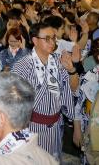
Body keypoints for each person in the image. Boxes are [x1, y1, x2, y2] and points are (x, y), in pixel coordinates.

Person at [12, 22, 77, 161]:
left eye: (53, 38)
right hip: (32, 127)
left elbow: (73, 89)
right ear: (35, 40)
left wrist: (71, 70)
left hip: (56, 125)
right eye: (47, 38)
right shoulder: (23, 65)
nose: (52, 42)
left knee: (54, 160)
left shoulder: (58, 62)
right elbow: (12, 99)